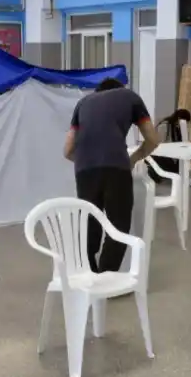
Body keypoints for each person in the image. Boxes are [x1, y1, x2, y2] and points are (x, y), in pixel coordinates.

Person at [63, 78, 161, 273]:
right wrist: (133, 159)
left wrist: (87, 162)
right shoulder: (130, 97)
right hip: (116, 165)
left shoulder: (82, 103)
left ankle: (89, 275)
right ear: (119, 88)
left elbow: (67, 150)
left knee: (89, 222)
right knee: (118, 223)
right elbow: (152, 139)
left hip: (84, 170)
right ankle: (107, 277)